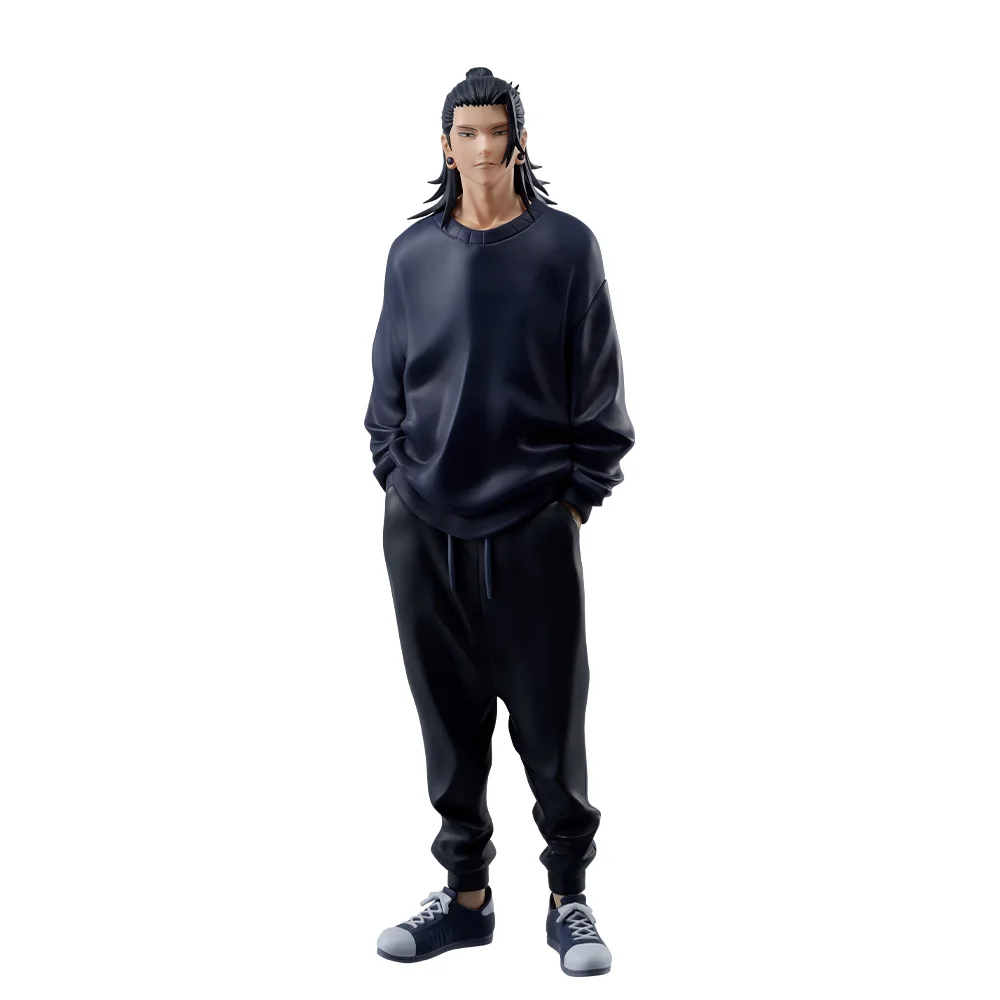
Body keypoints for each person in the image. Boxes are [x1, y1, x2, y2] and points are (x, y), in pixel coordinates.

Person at [364, 67, 635, 977]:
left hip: (532, 523)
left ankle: (569, 899)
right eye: (466, 133)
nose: (482, 148)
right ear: (445, 145)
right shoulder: (412, 254)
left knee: (551, 719)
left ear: (519, 140)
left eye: (496, 131)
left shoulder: (566, 248)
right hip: (422, 526)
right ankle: (466, 897)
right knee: (447, 719)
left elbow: (599, 389)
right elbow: (388, 390)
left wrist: (573, 500)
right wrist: (398, 481)